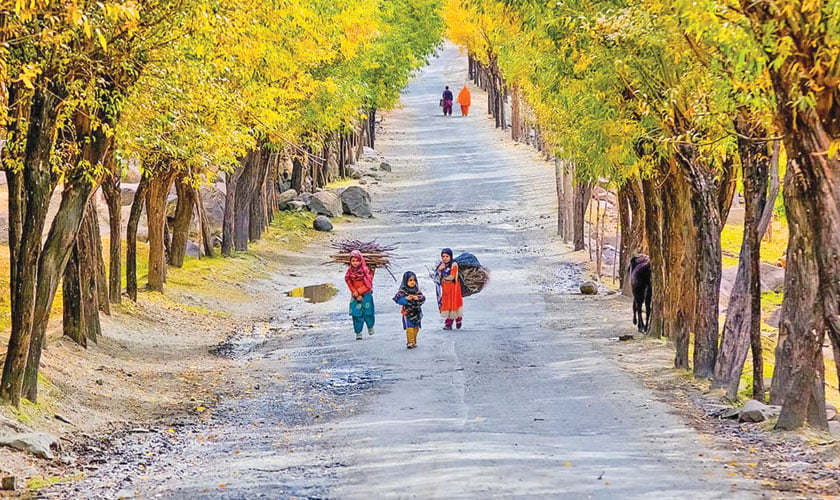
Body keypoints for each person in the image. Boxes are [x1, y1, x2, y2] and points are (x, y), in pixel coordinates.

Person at [345, 250, 375, 340]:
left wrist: (358, 293)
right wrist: (355, 293)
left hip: (366, 294)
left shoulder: (365, 271)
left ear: (361, 261)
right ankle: (358, 332)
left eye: (357, 261)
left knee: (368, 312)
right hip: (354, 295)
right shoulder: (349, 272)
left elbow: (368, 284)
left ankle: (370, 326)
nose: (355, 263)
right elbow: (348, 282)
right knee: (356, 313)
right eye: (353, 261)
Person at [393, 271, 426, 349]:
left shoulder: (417, 290)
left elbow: (423, 299)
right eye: (410, 280)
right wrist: (405, 298)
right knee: (409, 327)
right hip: (407, 312)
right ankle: (410, 342)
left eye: (414, 280)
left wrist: (417, 298)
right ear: (405, 281)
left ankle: (414, 341)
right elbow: (397, 299)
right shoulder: (403, 291)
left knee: (416, 328)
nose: (412, 282)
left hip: (417, 312)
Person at [435, 248, 463, 330]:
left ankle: (454, 321)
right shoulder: (441, 265)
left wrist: (445, 278)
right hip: (446, 289)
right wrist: (439, 270)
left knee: (454, 304)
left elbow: (452, 276)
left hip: (454, 288)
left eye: (447, 256)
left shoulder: (454, 264)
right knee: (447, 304)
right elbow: (437, 277)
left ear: (451, 256)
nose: (445, 258)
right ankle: (450, 322)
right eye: (443, 256)